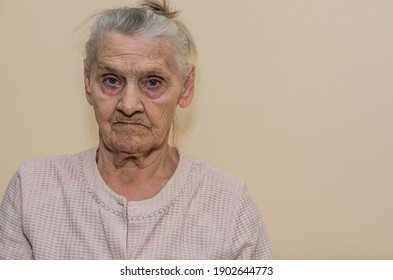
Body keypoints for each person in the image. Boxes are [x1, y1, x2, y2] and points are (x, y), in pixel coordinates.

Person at [0, 0, 272, 259]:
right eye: (111, 80)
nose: (129, 105)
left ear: (186, 87)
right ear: (87, 83)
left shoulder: (228, 204)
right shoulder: (32, 190)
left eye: (152, 82)